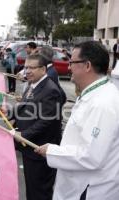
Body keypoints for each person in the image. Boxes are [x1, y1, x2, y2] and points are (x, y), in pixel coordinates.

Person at [35, 41, 119, 200]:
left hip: (88, 190)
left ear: (87, 66)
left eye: (72, 62)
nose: (68, 67)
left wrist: (52, 151)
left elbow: (91, 156)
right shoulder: (95, 94)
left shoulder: (103, 103)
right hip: (78, 184)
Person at [13, 54, 63, 200]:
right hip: (29, 149)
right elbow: (25, 108)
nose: (27, 71)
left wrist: (24, 134)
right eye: (26, 67)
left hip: (39, 150)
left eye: (31, 68)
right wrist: (10, 112)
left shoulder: (50, 90)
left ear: (42, 69)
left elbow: (47, 121)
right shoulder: (32, 84)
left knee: (39, 191)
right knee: (32, 188)